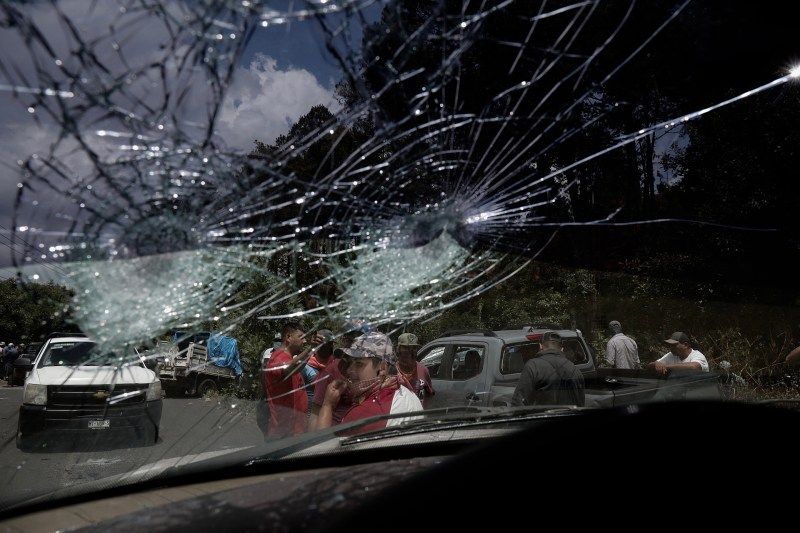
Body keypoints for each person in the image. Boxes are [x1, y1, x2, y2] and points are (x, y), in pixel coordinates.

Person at [317, 332, 423, 434]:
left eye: (359, 363)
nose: (349, 370)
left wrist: (327, 405)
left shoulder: (363, 415)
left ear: (382, 368)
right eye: (350, 363)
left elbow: (321, 448)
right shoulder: (407, 393)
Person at [309, 321, 369, 431]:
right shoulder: (331, 371)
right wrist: (312, 443)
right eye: (350, 338)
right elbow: (316, 411)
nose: (354, 343)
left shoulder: (370, 371)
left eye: (360, 338)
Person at [510, 331, 585, 407]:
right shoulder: (575, 370)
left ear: (540, 346)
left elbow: (517, 402)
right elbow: (581, 404)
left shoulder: (533, 366)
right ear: (562, 349)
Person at [262, 322, 310, 439]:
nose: (304, 341)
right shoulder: (278, 357)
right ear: (288, 337)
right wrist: (311, 349)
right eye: (301, 337)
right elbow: (290, 368)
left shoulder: (289, 357)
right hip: (283, 435)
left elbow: (296, 368)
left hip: (294, 432)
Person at [395, 333, 435, 406]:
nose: (410, 352)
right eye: (406, 348)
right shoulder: (391, 372)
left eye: (414, 348)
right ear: (398, 349)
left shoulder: (423, 370)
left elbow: (430, 394)